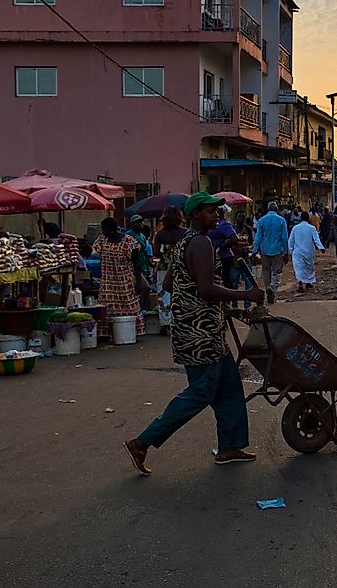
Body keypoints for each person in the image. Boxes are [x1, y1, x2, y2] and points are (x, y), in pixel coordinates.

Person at [123, 193, 265, 476]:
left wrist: (193, 309)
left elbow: (168, 283)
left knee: (230, 390)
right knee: (200, 393)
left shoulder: (185, 243)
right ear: (196, 214)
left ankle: (230, 446)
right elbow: (205, 289)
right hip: (201, 337)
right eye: (211, 212)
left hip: (199, 330)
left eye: (217, 211)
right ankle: (143, 441)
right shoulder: (200, 243)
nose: (217, 216)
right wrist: (244, 294)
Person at [92, 217, 145, 339]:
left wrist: (138, 281)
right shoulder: (101, 240)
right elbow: (95, 253)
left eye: (104, 229)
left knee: (129, 306)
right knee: (106, 307)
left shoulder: (128, 241)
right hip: (108, 282)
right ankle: (106, 333)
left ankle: (130, 331)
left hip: (125, 281)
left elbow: (136, 263)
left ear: (111, 229)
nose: (102, 231)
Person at [251, 201, 290, 304]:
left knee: (266, 271)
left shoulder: (261, 220)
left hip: (265, 250)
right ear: (276, 209)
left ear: (268, 209)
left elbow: (258, 237)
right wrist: (286, 252)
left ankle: (268, 288)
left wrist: (254, 251)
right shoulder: (281, 220)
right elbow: (285, 237)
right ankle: (272, 288)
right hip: (277, 250)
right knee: (277, 271)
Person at [289, 210, 325, 293]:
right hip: (308, 251)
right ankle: (309, 282)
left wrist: (290, 250)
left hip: (297, 252)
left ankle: (300, 283)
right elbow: (316, 239)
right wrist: (321, 248)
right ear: (308, 218)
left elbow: (291, 240)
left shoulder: (295, 228)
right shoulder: (312, 228)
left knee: (299, 268)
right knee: (309, 267)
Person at [208, 206, 238, 292]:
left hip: (224, 256)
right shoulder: (213, 224)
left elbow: (234, 238)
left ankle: (228, 301)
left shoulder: (224, 224)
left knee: (224, 279)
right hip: (214, 256)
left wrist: (221, 247)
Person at [126, 215, 153, 282]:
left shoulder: (142, 236)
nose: (140, 224)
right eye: (137, 222)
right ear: (133, 224)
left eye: (141, 222)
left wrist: (148, 268)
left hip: (143, 264)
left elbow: (145, 252)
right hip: (132, 267)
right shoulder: (128, 235)